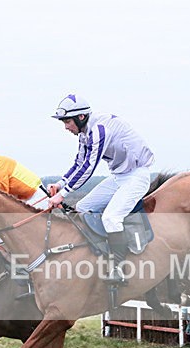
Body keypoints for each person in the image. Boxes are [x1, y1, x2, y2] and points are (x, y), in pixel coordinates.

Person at [48, 94, 155, 284]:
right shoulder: (84, 132)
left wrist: (63, 195)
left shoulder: (98, 130)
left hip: (137, 176)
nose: (66, 127)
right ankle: (94, 255)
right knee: (81, 208)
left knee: (111, 218)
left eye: (67, 122)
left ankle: (118, 269)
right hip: (118, 177)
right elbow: (79, 162)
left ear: (81, 117)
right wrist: (60, 184)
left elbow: (89, 167)